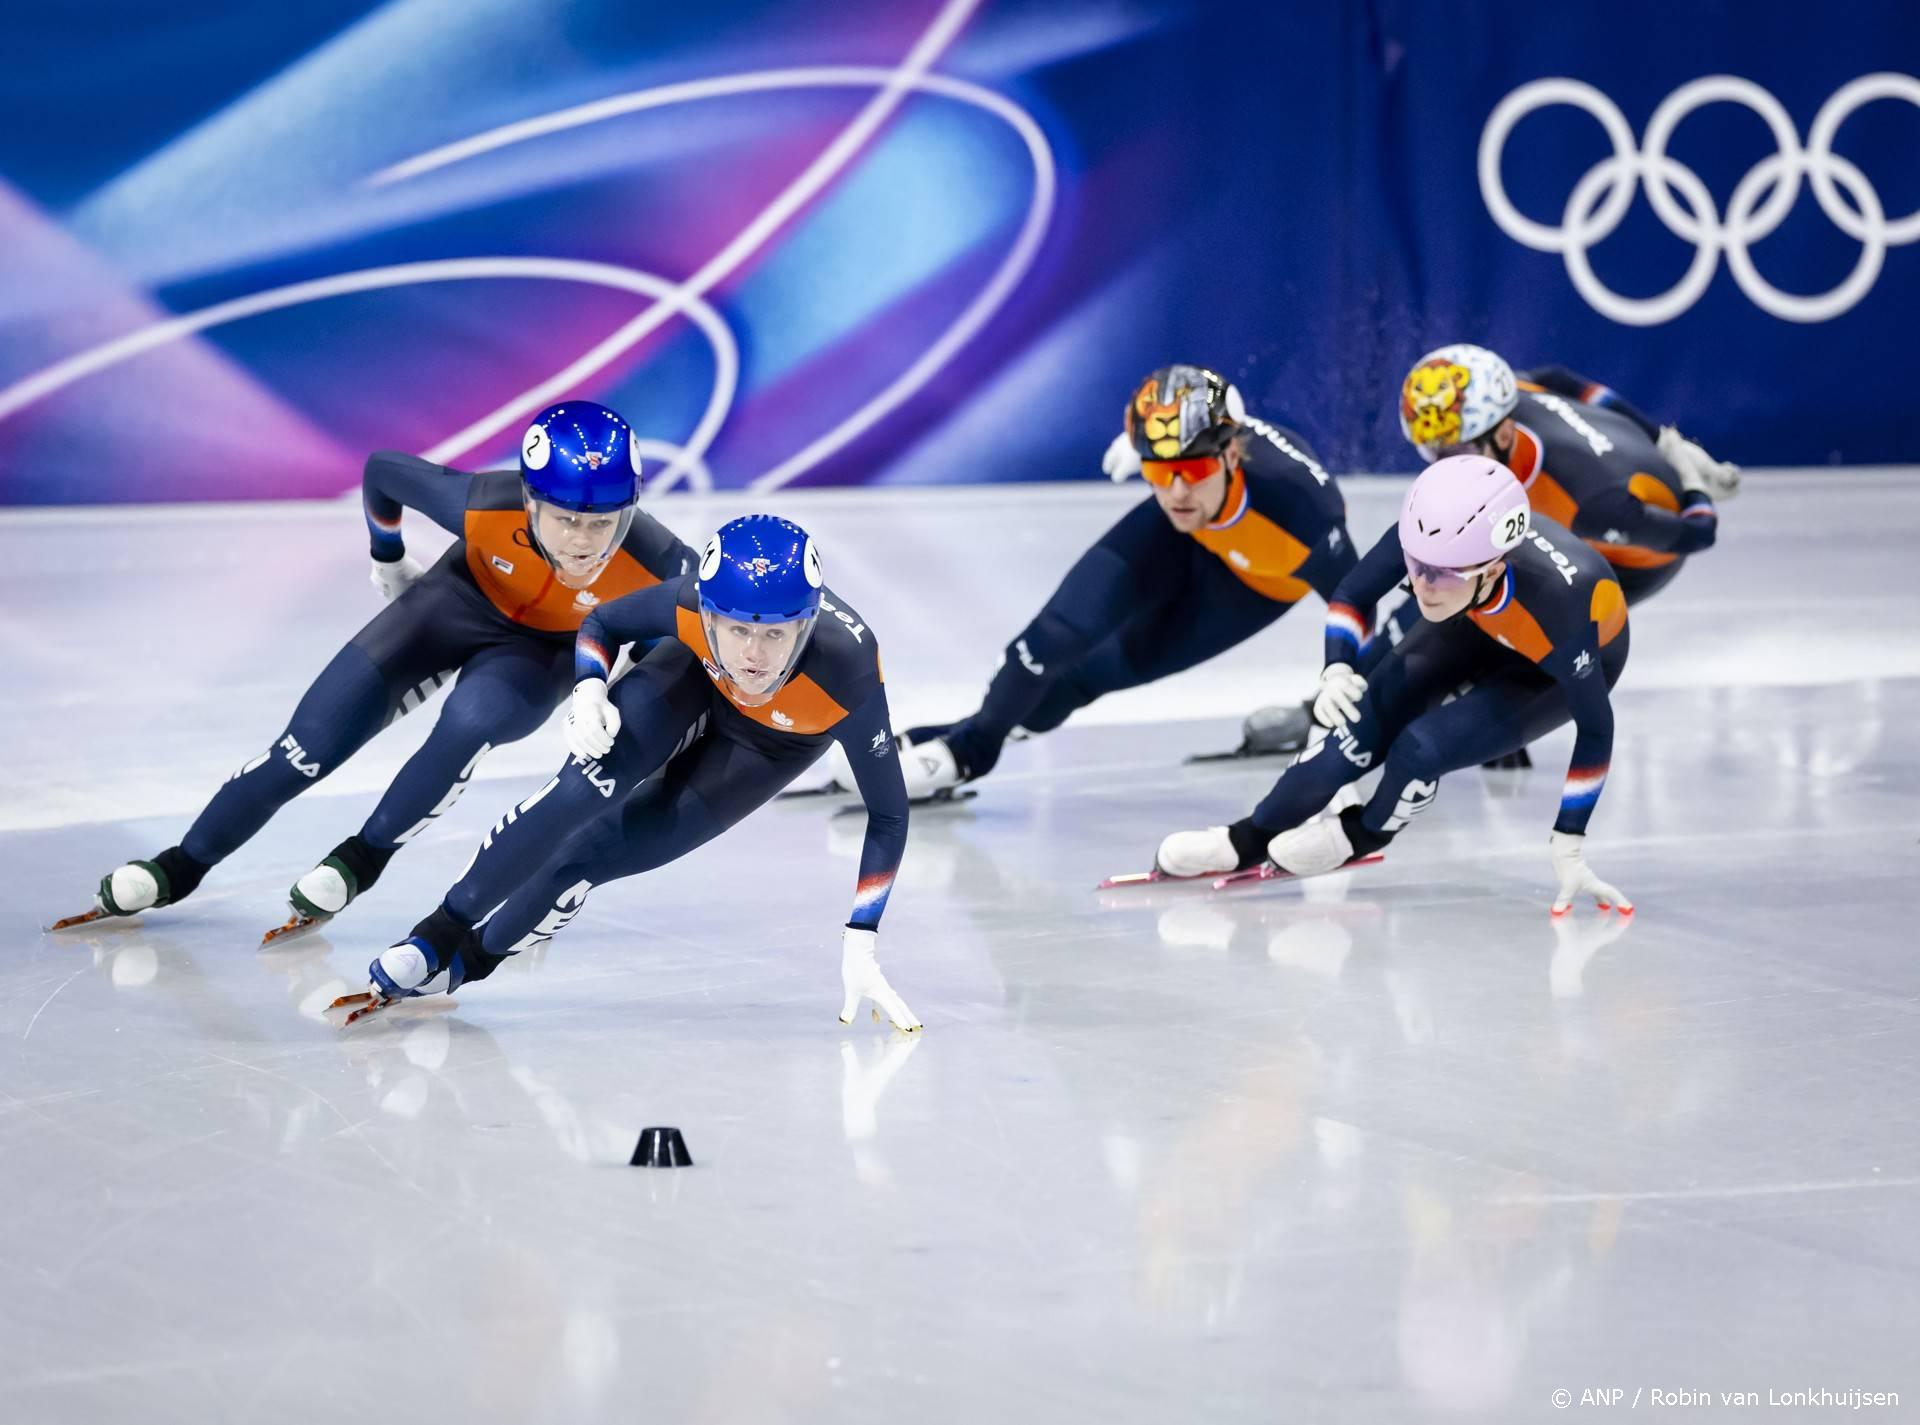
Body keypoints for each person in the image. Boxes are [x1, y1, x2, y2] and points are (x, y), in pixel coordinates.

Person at [57, 401, 692, 939]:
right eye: (565, 519)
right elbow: (383, 472)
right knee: (303, 750)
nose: (583, 541)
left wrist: (608, 691)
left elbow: (690, 636)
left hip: (544, 652)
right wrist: (387, 557)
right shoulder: (481, 506)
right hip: (451, 606)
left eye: (602, 523)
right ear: (529, 501)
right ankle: (180, 864)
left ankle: (362, 858)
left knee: (470, 722)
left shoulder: (662, 561)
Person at [332, 515, 920, 1031]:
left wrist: (861, 937)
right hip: (691, 678)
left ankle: (470, 961)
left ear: (808, 625)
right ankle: (435, 933)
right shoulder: (687, 601)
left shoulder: (849, 671)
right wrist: (589, 689)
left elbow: (890, 813)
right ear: (707, 613)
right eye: (737, 628)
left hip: (773, 747)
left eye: (775, 634)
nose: (752, 656)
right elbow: (603, 624)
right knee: (578, 792)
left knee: (589, 858)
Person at [835, 364, 1354, 798]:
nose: (1174, 490)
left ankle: (960, 743)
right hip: (1188, 537)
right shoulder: (1182, 496)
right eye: (1156, 472)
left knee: (1090, 676)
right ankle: (963, 750)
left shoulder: (1303, 513)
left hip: (1255, 584)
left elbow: (1358, 603)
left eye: (1191, 471)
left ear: (1232, 457)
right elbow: (1210, 418)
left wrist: (1333, 707)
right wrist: (1161, 452)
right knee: (1051, 639)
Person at [1156, 454, 1633, 916]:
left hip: (1547, 663)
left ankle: (1360, 835)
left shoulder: (1560, 606)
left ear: (1491, 568)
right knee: (1347, 737)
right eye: (1415, 563)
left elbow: (1596, 729)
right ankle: (1246, 839)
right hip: (1474, 617)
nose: (1421, 584)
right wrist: (1337, 668)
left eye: (1439, 573)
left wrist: (1569, 841)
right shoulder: (1431, 540)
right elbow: (1353, 593)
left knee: (1419, 751)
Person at [1241, 343, 1735, 761]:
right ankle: (1341, 704)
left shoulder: (1591, 502)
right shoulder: (1510, 397)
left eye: (1454, 451)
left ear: (1502, 433)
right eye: (1432, 452)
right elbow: (1558, 377)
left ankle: (1479, 704)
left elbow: (1697, 536)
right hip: (1584, 498)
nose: (1442, 465)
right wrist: (1658, 435)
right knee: (1444, 586)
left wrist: (1691, 480)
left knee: (1468, 603)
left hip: (1633, 555)